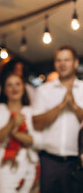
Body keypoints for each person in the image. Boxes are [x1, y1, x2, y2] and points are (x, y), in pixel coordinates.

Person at [32, 45, 83, 193]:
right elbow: (36, 124)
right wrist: (60, 106)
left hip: (77, 162)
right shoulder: (43, 90)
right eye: (59, 60)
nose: (62, 63)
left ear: (75, 63)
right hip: (49, 161)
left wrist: (73, 105)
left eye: (67, 60)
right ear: (55, 64)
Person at [0, 73, 39, 193]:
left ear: (23, 88)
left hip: (27, 166)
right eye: (10, 85)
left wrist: (15, 134)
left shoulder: (30, 111)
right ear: (4, 90)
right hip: (2, 167)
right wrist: (11, 124)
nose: (14, 88)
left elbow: (35, 141)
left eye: (17, 84)